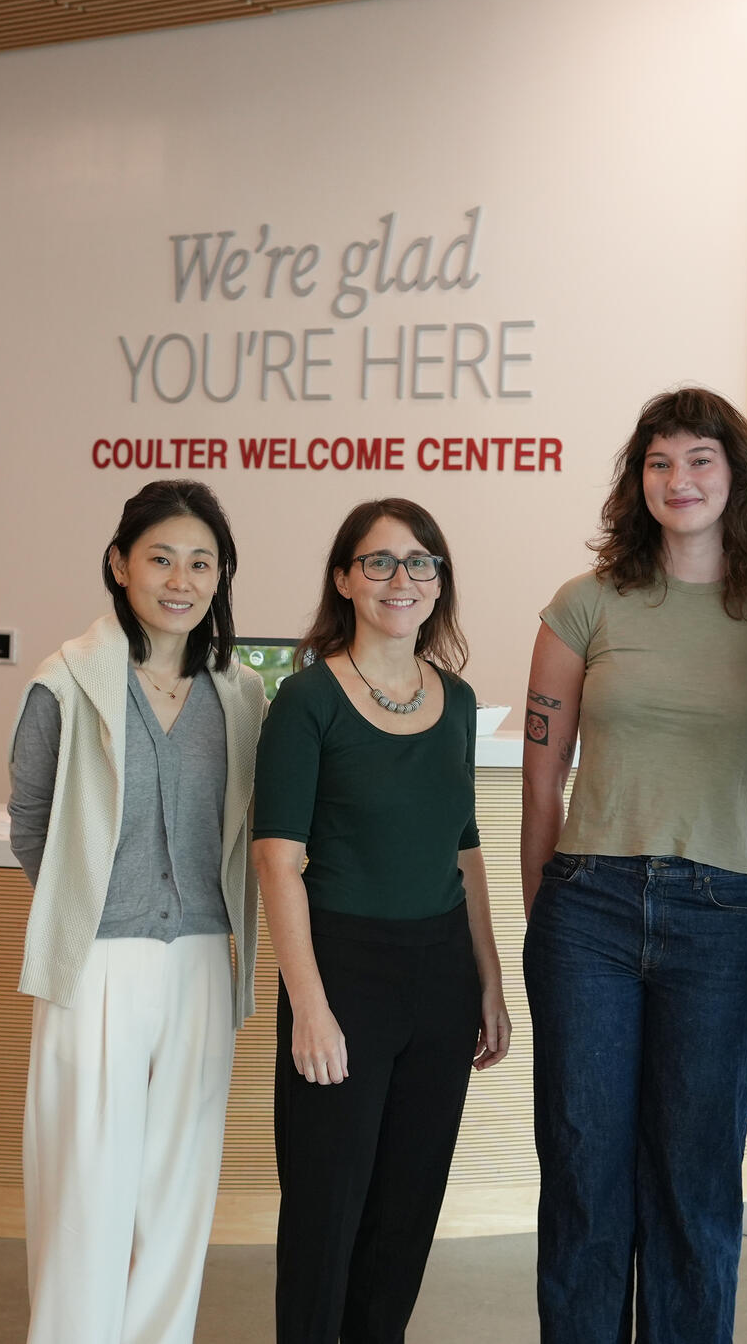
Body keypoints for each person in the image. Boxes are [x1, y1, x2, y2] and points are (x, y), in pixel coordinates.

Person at [521, 387, 747, 1342]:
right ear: (637, 480)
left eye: (700, 459)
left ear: (733, 477)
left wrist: (725, 865)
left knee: (697, 1181)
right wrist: (549, 913)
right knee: (583, 1176)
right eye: (659, 462)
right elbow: (544, 784)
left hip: (717, 924)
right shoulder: (583, 605)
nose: (678, 479)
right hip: (587, 915)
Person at [5, 478, 269, 1344]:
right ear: (120, 565)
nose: (180, 580)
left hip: (201, 960)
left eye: (202, 562)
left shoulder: (239, 694)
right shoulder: (66, 682)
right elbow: (31, 822)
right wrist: (92, 907)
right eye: (161, 558)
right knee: (87, 1188)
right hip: (98, 966)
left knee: (176, 1189)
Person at [254, 498, 511, 1344]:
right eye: (379, 562)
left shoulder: (461, 700)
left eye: (420, 563)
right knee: (328, 1216)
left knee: (407, 1210)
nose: (401, 579)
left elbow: (464, 847)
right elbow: (276, 861)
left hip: (439, 978)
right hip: (343, 977)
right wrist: (311, 1009)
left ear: (439, 584)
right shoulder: (305, 701)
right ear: (343, 579)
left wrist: (491, 982)